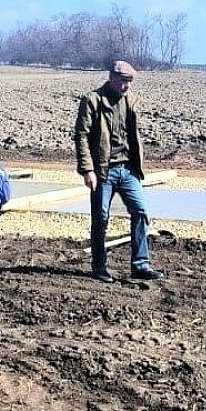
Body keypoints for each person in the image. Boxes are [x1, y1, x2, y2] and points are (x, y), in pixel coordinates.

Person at [73, 60, 163, 283]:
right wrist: (88, 170)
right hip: (103, 171)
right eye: (124, 81)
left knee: (141, 212)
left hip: (128, 169)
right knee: (101, 218)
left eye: (130, 82)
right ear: (112, 78)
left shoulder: (130, 100)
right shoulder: (92, 100)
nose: (127, 86)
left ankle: (140, 265)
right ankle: (99, 266)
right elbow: (81, 136)